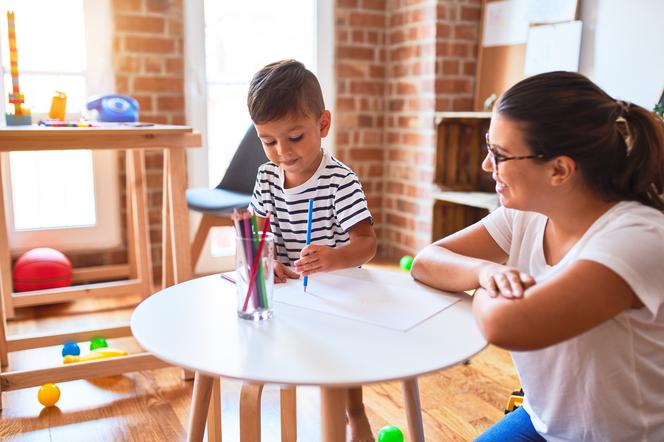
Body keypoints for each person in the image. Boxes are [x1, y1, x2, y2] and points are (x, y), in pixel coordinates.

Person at [411, 71, 664, 441]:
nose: (486, 166)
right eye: (488, 146)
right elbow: (427, 261)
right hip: (543, 421)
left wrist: (481, 289)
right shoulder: (525, 213)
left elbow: (509, 326)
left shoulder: (638, 237)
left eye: (499, 155)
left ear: (559, 170)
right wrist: (484, 272)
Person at [248, 59, 378, 441]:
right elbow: (257, 233)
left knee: (340, 368)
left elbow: (367, 244)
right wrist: (264, 259)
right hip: (291, 292)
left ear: (323, 125)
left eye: (294, 137)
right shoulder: (267, 177)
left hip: (336, 292)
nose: (282, 152)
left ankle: (354, 416)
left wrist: (333, 258)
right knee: (301, 363)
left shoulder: (340, 181)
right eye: (268, 141)